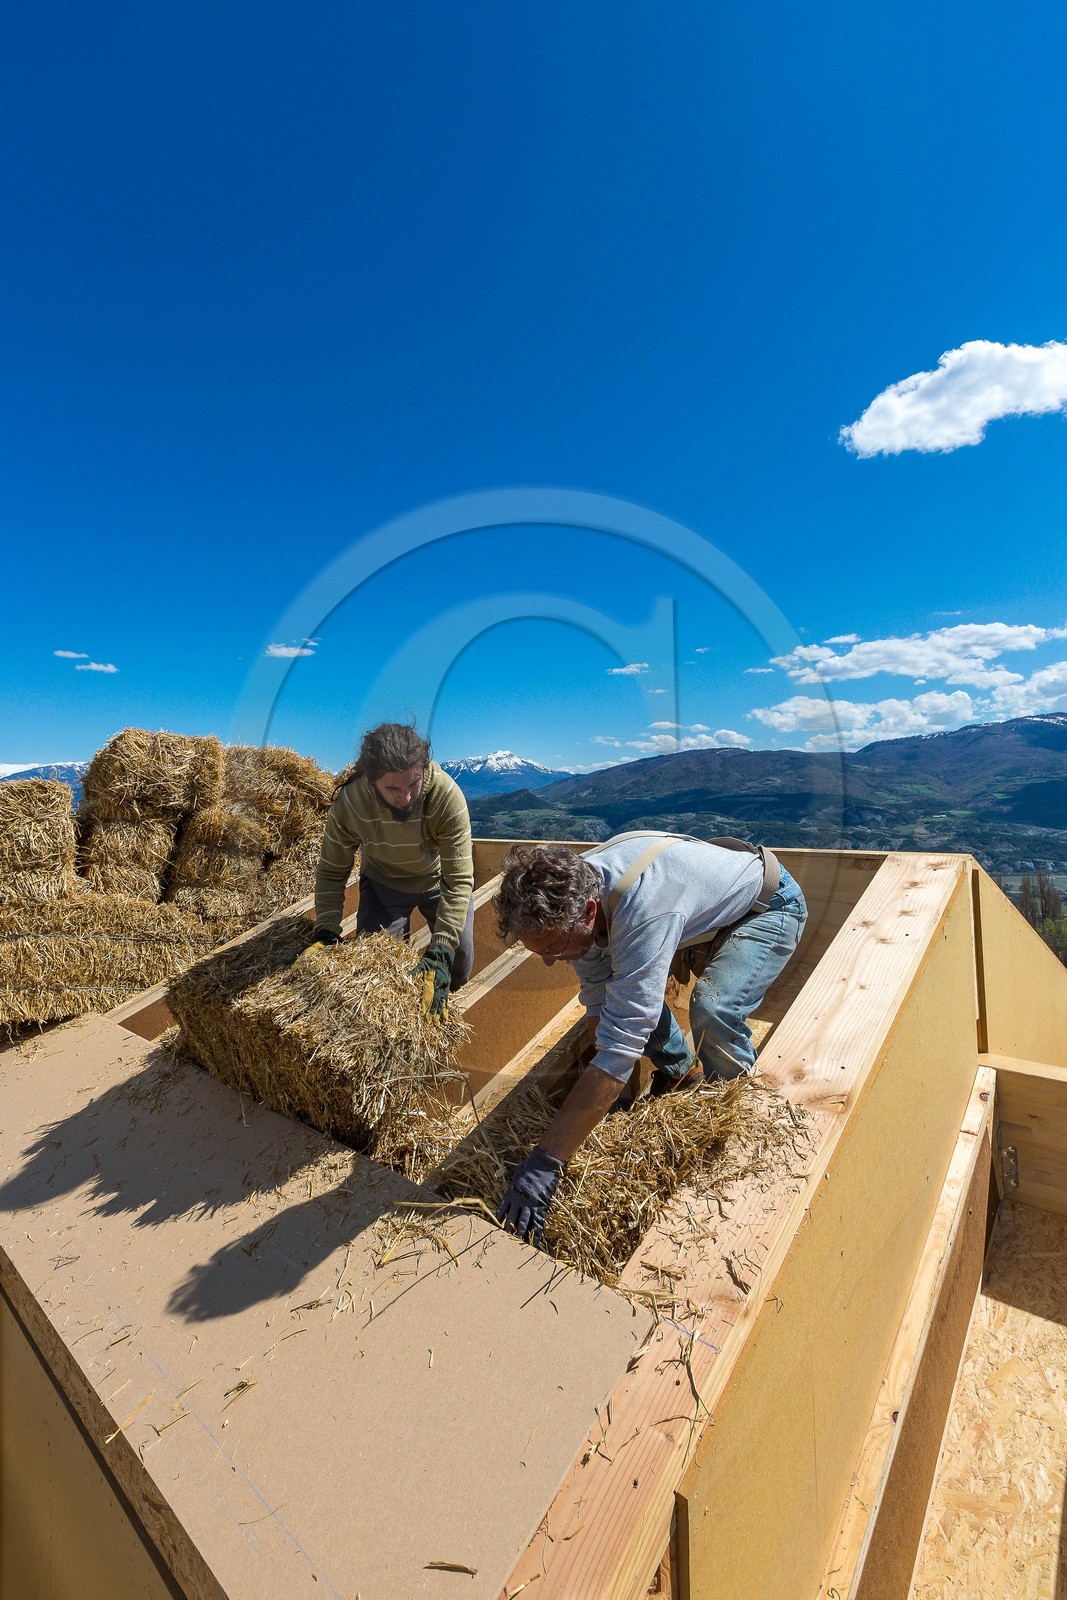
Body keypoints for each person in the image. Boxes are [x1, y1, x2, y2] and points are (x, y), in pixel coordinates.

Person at [492, 831, 807, 1242]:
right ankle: (681, 1073)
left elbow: (622, 1043)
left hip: (767, 906)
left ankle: (726, 1111)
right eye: (539, 952)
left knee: (713, 1007)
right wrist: (609, 1101)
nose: (550, 962)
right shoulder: (569, 895)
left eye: (552, 947)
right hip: (698, 914)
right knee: (625, 997)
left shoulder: (643, 909)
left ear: (589, 912)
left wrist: (548, 1160)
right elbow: (600, 1005)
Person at [306, 722, 475, 1020]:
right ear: (371, 781)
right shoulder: (351, 801)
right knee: (378, 971)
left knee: (457, 962)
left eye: (413, 783)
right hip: (384, 882)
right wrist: (328, 928)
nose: (406, 797)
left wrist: (441, 949)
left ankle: (436, 1013)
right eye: (393, 788)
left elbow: (459, 879)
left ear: (423, 769)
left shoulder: (447, 796)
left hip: (438, 881)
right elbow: (333, 869)